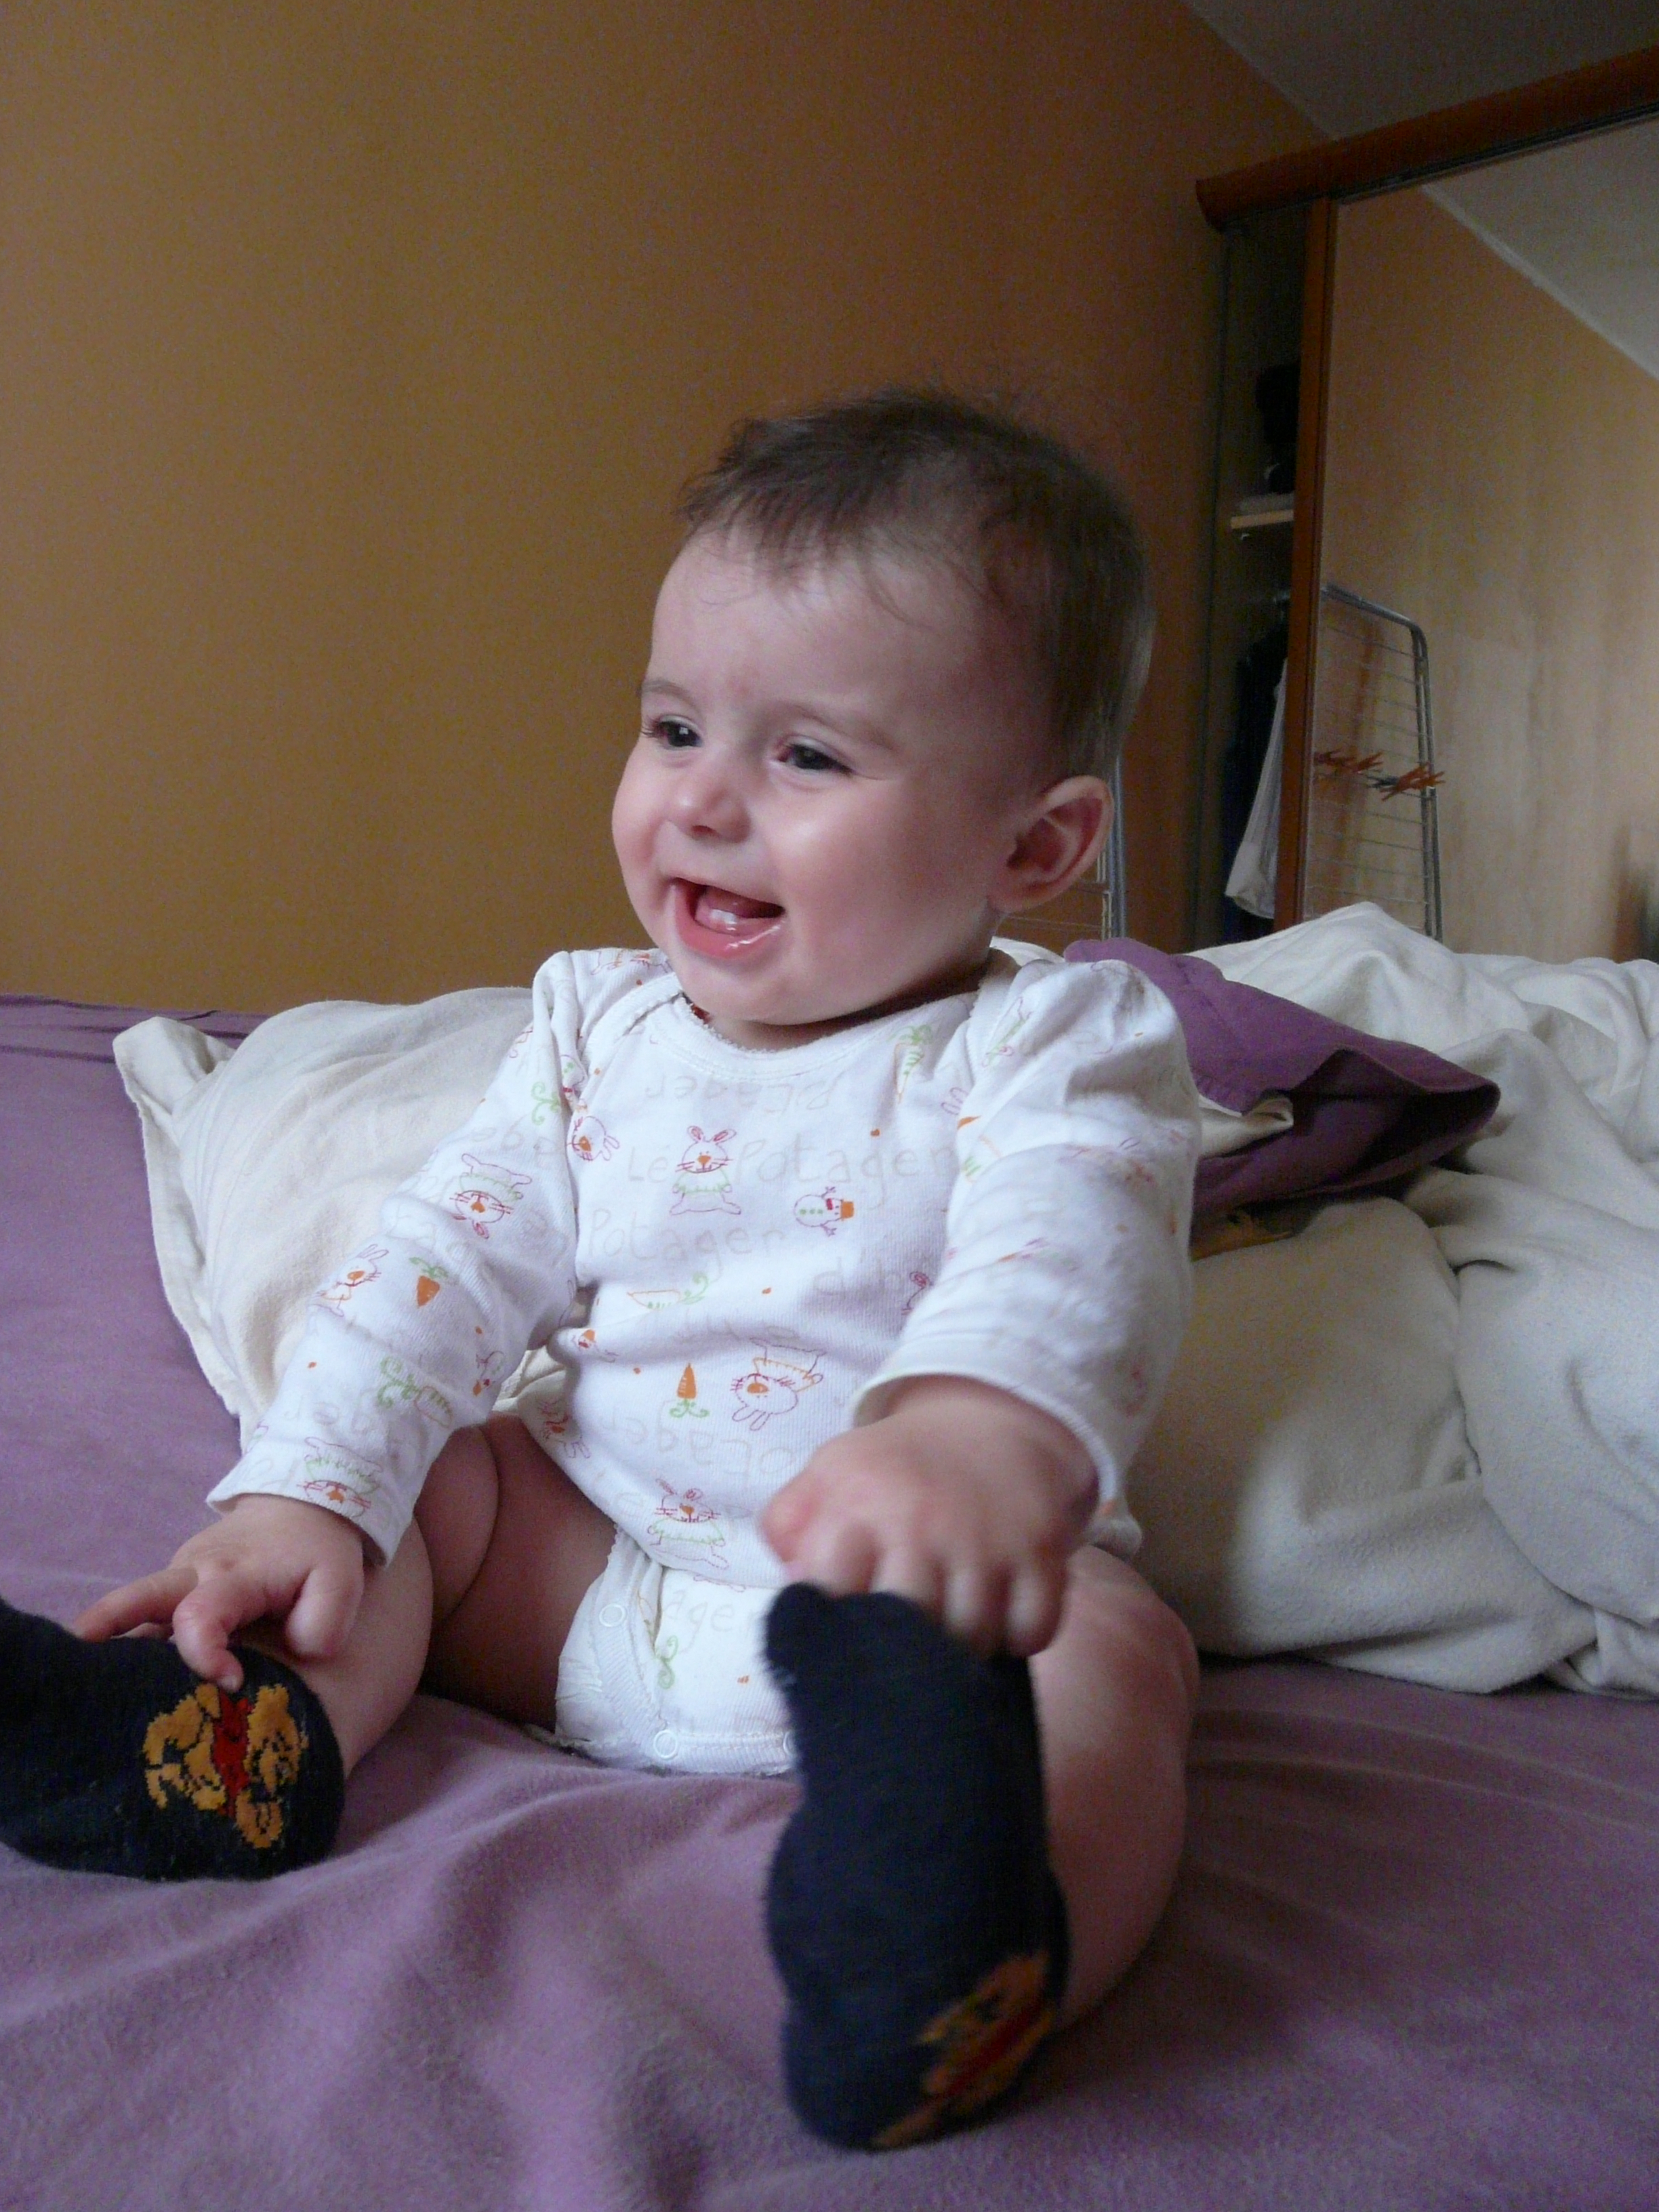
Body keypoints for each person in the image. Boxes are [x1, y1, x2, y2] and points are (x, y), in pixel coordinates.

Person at [0, 389, 1202, 2152]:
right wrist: (299, 1494)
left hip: (915, 1618)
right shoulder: (591, 1029)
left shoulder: (1060, 1044)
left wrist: (976, 1433)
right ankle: (234, 1749)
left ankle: (971, 1939)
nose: (703, 799)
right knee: (429, 1488)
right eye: (674, 726)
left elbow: (1074, 1242)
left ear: (1033, 847)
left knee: (1118, 1655)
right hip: (592, 1570)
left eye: (807, 758)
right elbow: (440, 1267)